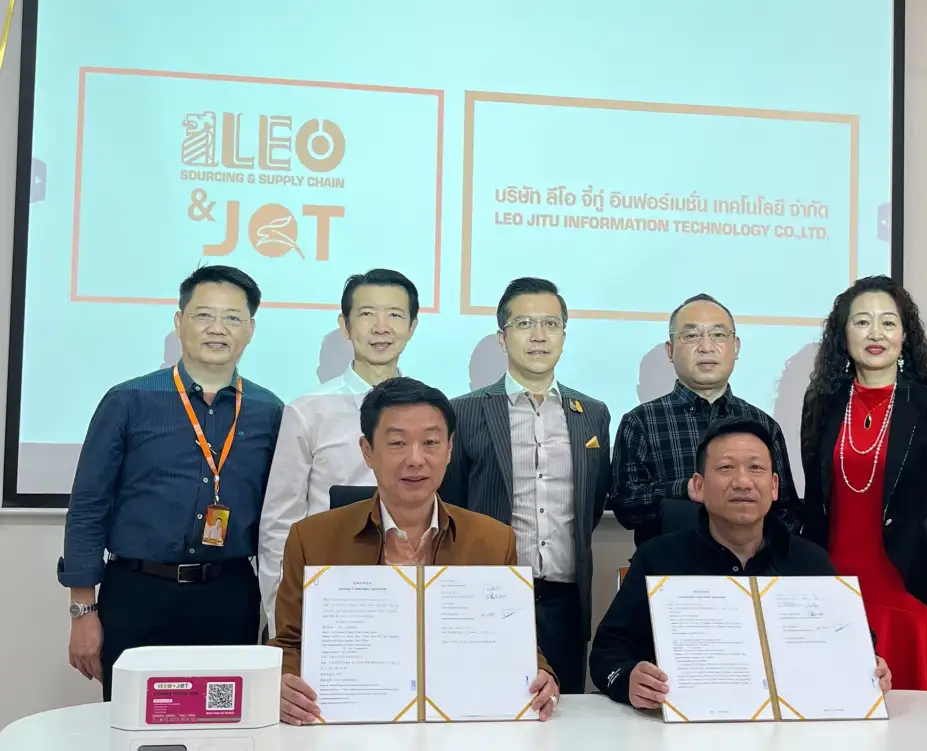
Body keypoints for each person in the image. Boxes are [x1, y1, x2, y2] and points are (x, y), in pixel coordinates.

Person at [271, 377, 559, 724]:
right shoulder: (311, 539)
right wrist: (281, 681)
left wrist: (542, 675)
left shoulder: (494, 541)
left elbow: (514, 642)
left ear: (450, 449)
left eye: (431, 442)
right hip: (350, 725)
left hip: (459, 727)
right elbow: (290, 643)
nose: (416, 459)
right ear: (367, 450)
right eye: (397, 443)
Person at [60, 265, 284, 701]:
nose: (217, 328)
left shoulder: (270, 410)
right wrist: (82, 610)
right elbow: (88, 506)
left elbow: (278, 515)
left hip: (229, 594)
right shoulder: (128, 400)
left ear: (250, 330)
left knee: (226, 722)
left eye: (232, 318)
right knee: (135, 721)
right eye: (204, 315)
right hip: (138, 594)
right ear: (180, 322)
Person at [590, 417, 892, 708]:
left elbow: (858, 646)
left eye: (756, 468)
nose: (743, 482)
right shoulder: (658, 559)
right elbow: (607, 652)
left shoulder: (810, 562)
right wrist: (628, 679)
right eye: (725, 468)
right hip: (687, 726)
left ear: (774, 486)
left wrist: (873, 668)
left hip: (792, 727)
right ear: (698, 486)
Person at [440, 277, 611, 695]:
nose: (539, 336)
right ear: (503, 338)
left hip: (565, 599)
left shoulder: (592, 414)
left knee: (566, 709)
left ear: (563, 336)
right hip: (487, 593)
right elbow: (452, 502)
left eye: (550, 324)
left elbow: (592, 503)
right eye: (524, 324)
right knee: (483, 703)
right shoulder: (463, 411)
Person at [800, 275, 927, 692]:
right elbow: (816, 500)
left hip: (903, 586)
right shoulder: (821, 404)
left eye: (888, 322)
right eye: (862, 322)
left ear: (905, 336)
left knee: (913, 710)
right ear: (843, 335)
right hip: (834, 583)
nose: (876, 333)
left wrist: (904, 550)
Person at [258, 269, 419, 635]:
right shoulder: (308, 410)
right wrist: (282, 622)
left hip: (411, 593)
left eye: (395, 315)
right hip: (330, 595)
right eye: (367, 314)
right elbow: (280, 523)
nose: (381, 327)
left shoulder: (432, 411)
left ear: (412, 326)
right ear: (345, 325)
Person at [609, 293, 800, 547]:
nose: (706, 347)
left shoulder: (763, 424)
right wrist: (684, 489)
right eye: (691, 336)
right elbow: (626, 506)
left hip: (751, 564)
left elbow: (786, 512)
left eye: (718, 334)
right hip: (669, 564)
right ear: (670, 351)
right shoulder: (640, 421)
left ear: (736, 347)